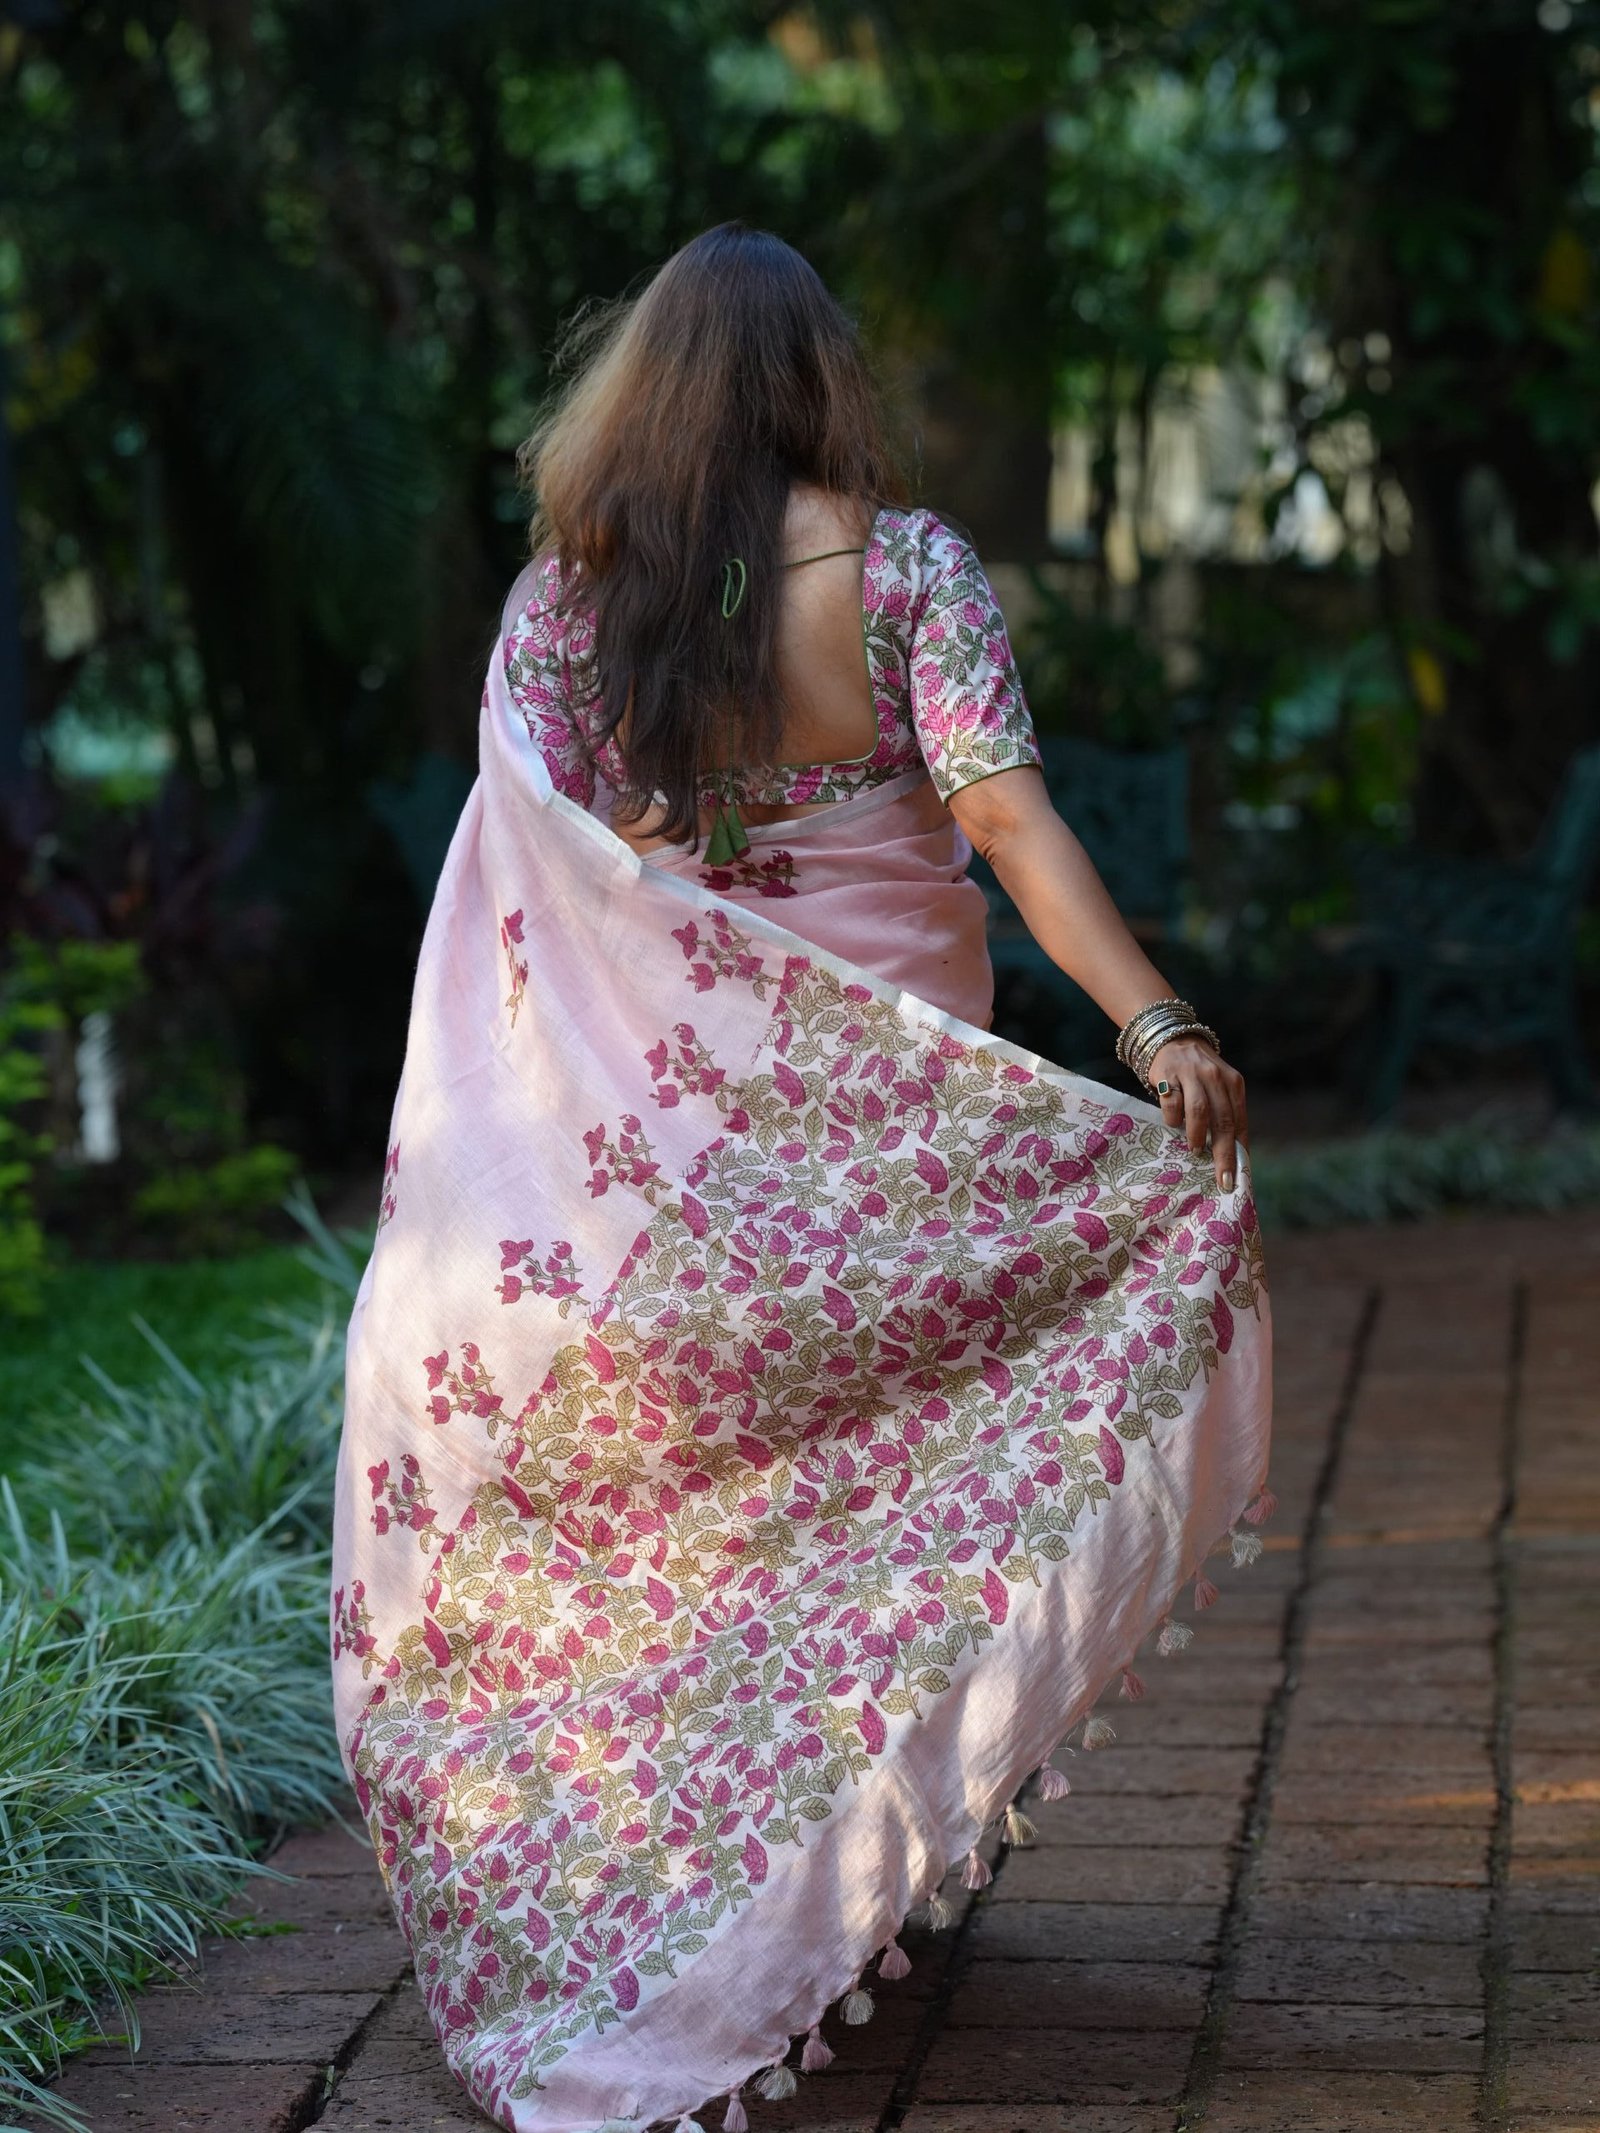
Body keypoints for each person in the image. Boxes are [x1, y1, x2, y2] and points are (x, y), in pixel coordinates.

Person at [331, 223, 1273, 2133]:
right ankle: (847, 1880)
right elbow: (1005, 819)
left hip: (654, 1165)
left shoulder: (575, 596)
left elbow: (547, 866)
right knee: (881, 1500)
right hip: (886, 1144)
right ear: (821, 378)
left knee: (695, 1532)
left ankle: (696, 1908)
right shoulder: (906, 571)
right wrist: (1155, 1022)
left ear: (647, 391)